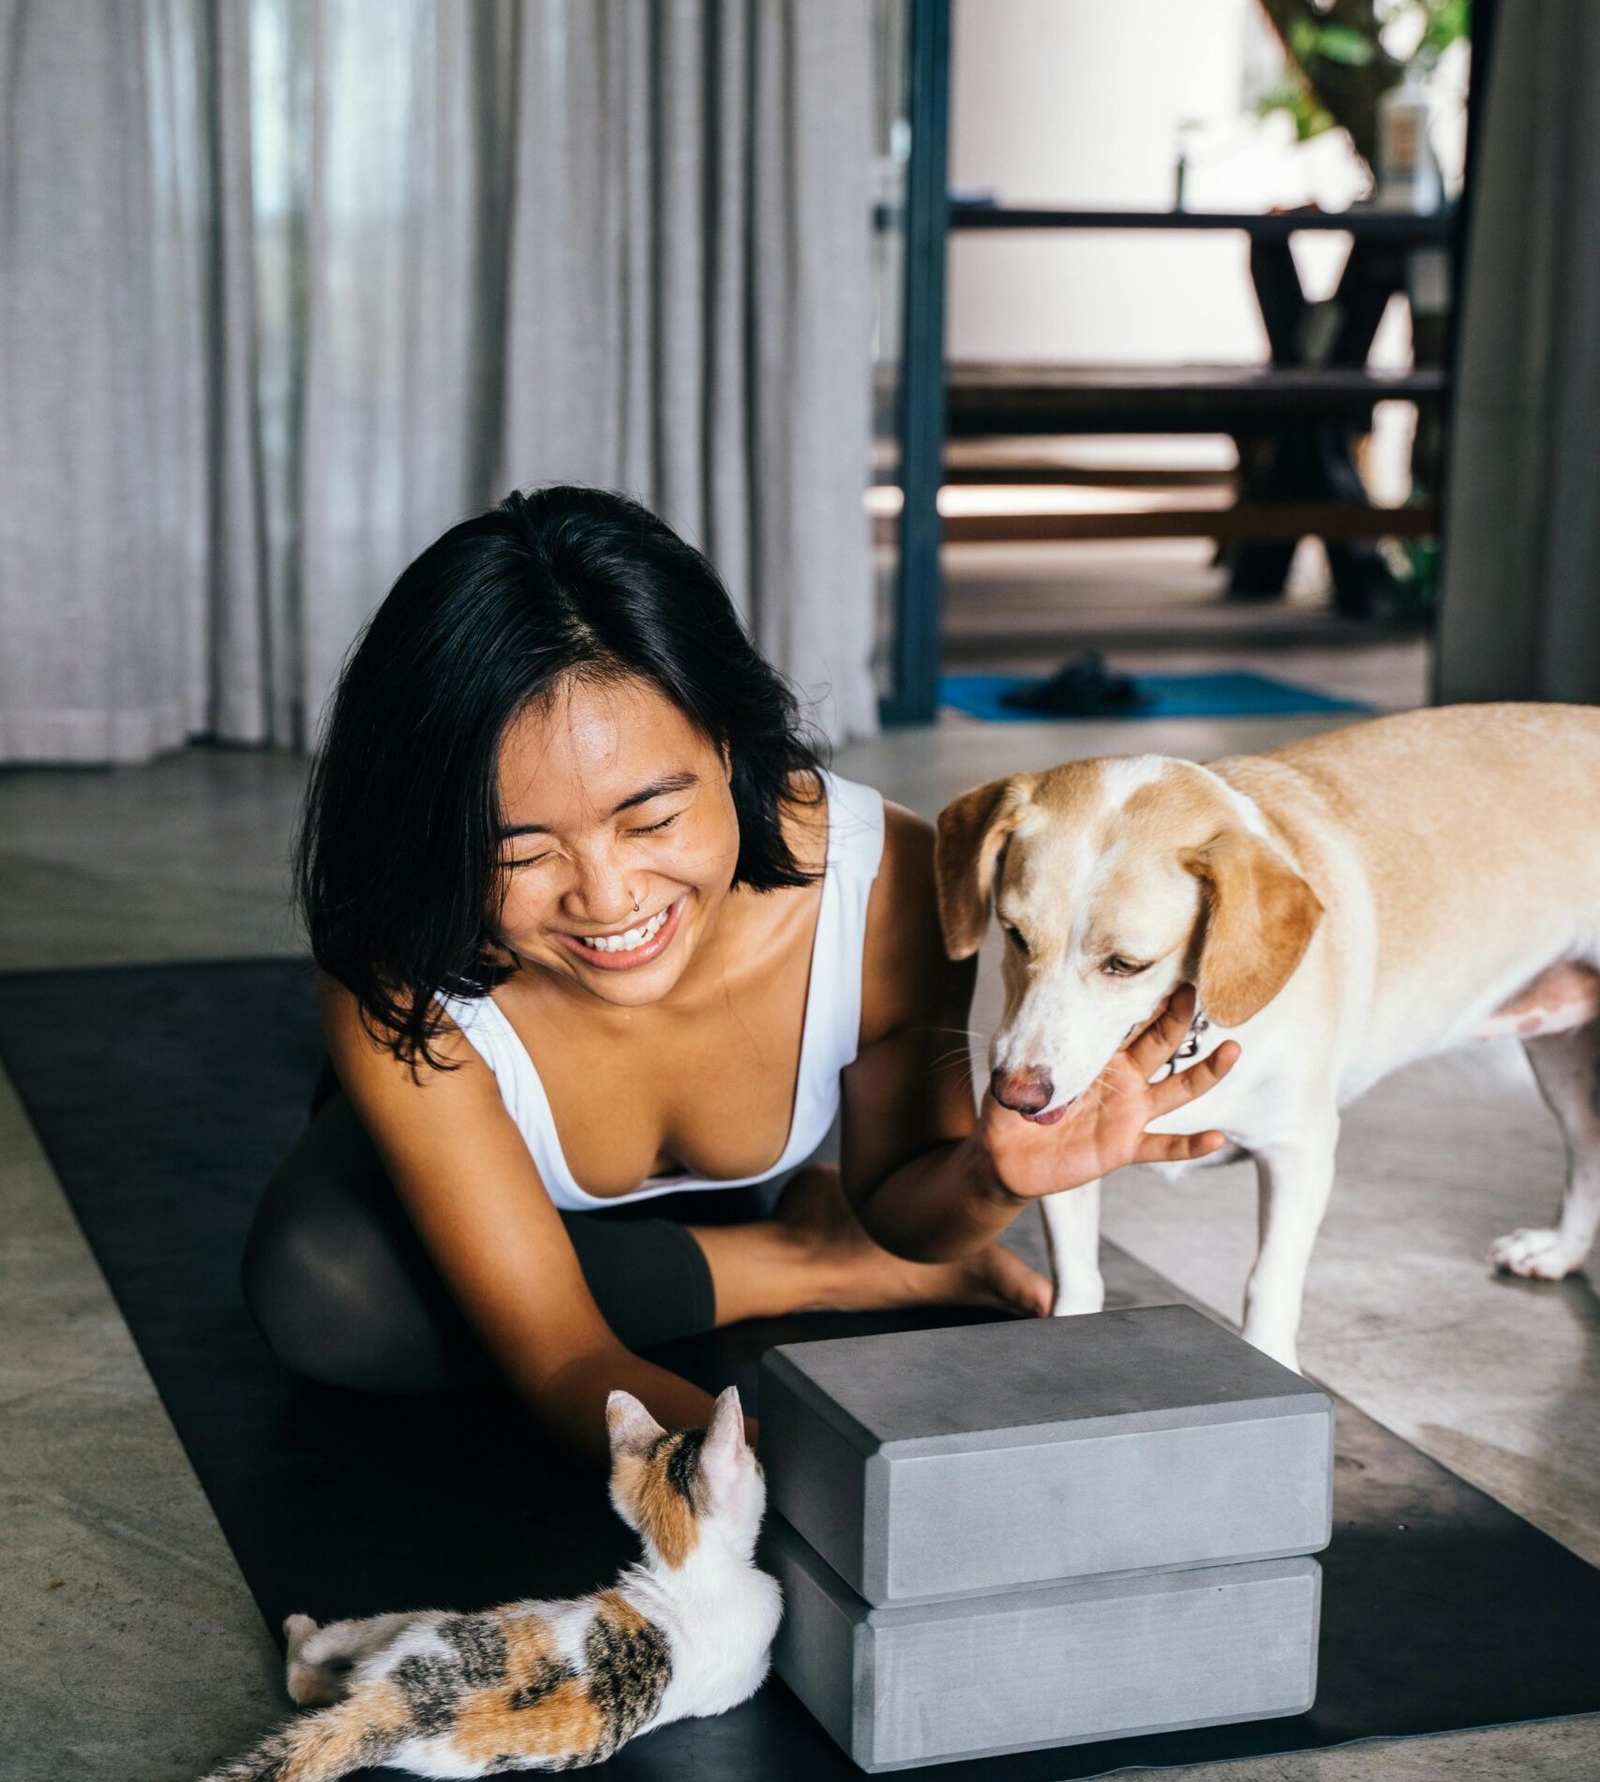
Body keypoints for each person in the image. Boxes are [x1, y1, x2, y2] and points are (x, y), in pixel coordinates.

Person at [243, 485, 1237, 1469]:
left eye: (653, 819)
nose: (606, 896)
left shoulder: (881, 881)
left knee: (885, 1228)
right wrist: (792, 1484)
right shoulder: (402, 959)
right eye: (520, 849)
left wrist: (989, 1174)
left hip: (723, 1199)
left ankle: (797, 1242)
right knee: (327, 1293)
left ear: (729, 743)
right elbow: (564, 1361)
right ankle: (796, 1258)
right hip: (448, 1192)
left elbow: (906, 1207)